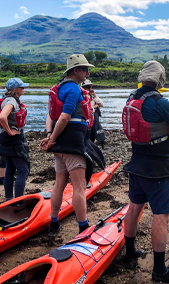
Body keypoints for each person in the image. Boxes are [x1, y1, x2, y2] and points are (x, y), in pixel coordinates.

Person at [122, 60, 169, 284]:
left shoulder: (131, 98)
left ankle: (129, 251)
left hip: (136, 164)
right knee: (160, 216)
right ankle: (159, 270)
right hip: (158, 169)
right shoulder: (162, 102)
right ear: (160, 79)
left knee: (134, 207)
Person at [40, 54, 104, 235]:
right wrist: (51, 139)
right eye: (84, 69)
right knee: (79, 186)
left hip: (60, 145)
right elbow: (65, 116)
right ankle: (83, 226)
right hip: (72, 143)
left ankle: (54, 223)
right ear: (75, 70)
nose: (87, 72)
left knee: (59, 184)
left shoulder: (58, 88)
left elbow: (51, 117)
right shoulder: (74, 89)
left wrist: (51, 135)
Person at [0, 78, 31, 200]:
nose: (24, 89)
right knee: (23, 170)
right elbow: (2, 116)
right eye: (22, 87)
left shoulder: (5, 99)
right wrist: (10, 131)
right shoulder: (11, 101)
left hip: (4, 138)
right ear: (15, 89)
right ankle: (19, 200)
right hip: (13, 139)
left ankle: (9, 198)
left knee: (10, 168)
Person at [82, 79, 106, 147]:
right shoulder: (81, 96)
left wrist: (95, 95)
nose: (89, 89)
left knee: (92, 134)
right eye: (87, 87)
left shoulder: (93, 96)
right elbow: (85, 107)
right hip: (85, 119)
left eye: (90, 87)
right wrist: (94, 106)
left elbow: (101, 104)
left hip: (93, 119)